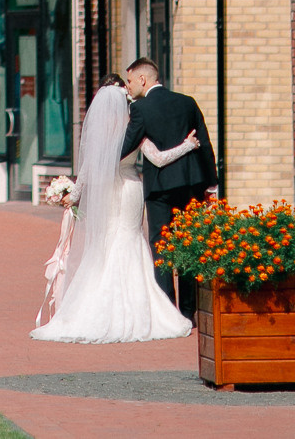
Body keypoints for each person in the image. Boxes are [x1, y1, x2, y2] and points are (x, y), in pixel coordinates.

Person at [31, 77, 200, 343]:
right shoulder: (133, 128)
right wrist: (187, 145)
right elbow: (158, 158)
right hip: (130, 187)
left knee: (107, 242)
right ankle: (143, 310)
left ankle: (93, 309)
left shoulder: (99, 134)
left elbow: (86, 171)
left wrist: (72, 195)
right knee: (131, 239)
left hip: (108, 192)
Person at [119, 56, 217, 312]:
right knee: (188, 243)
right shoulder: (187, 102)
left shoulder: (140, 109)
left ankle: (167, 309)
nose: (128, 86)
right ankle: (188, 310)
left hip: (160, 189)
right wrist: (212, 185)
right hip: (192, 185)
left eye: (129, 80)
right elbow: (205, 144)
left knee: (161, 245)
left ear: (143, 79)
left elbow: (126, 145)